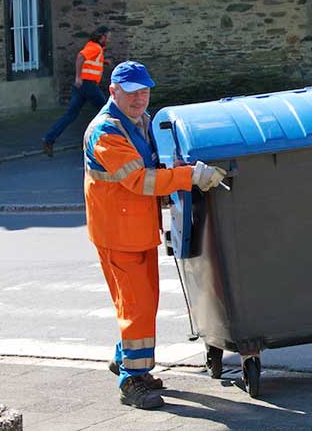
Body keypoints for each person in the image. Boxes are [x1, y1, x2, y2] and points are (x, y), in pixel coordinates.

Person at [84, 60, 226, 409]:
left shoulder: (140, 122)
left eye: (144, 92)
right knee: (137, 308)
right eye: (131, 93)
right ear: (113, 91)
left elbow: (154, 168)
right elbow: (140, 180)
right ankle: (132, 381)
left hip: (136, 230)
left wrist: (180, 172)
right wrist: (188, 176)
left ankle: (127, 360)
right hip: (118, 234)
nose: (139, 99)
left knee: (142, 304)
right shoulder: (106, 132)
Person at [42, 26, 112, 157]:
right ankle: (104, 141)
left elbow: (89, 62)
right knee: (107, 111)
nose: (108, 40)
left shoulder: (94, 48)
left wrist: (103, 62)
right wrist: (78, 77)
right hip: (87, 84)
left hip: (82, 86)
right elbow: (80, 57)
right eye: (108, 37)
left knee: (71, 115)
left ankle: (49, 139)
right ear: (102, 37)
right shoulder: (95, 48)